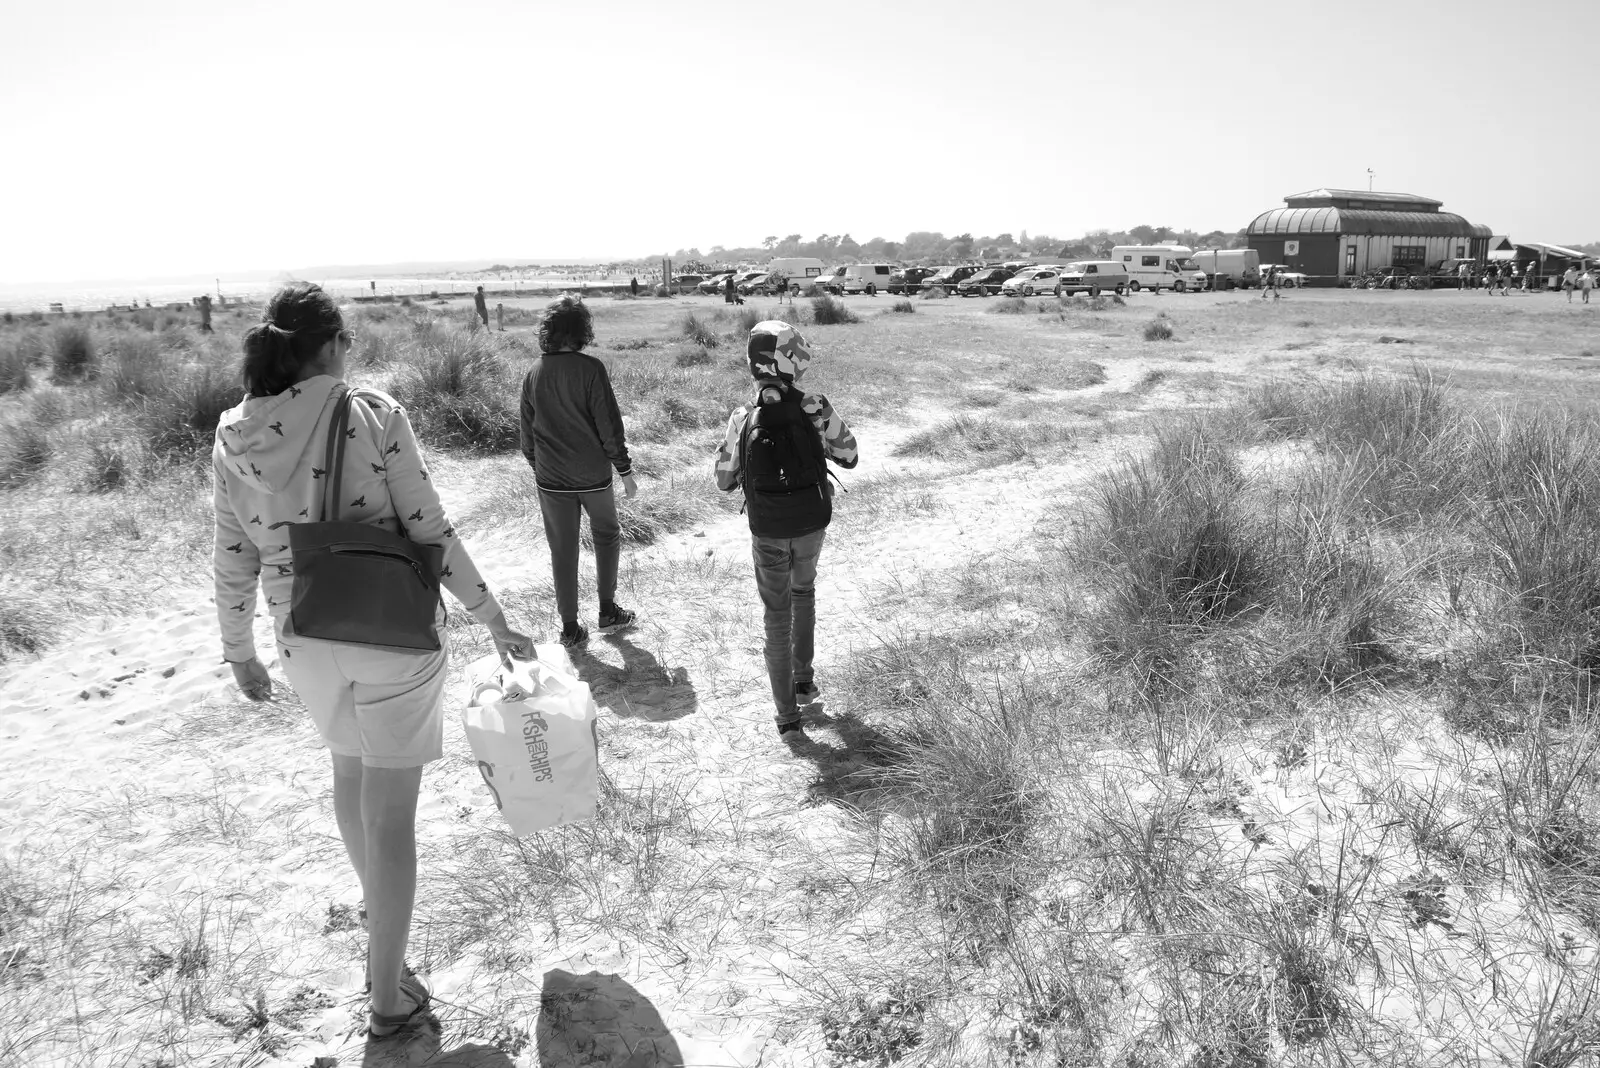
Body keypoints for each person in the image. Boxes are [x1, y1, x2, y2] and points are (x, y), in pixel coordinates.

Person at [212, 283, 532, 1041]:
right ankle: (387, 997)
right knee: (392, 817)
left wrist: (240, 652)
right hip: (391, 632)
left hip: (302, 636)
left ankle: (379, 924)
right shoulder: (370, 412)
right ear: (330, 344)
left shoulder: (233, 434)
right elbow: (430, 529)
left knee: (348, 777)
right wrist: (493, 618)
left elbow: (232, 557)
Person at [714, 321, 858, 738]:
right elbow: (849, 455)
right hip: (810, 523)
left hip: (768, 530)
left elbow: (723, 481)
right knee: (804, 592)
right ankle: (804, 680)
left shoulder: (744, 416)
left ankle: (787, 718)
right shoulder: (815, 404)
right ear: (793, 360)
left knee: (776, 618)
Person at [518, 295, 639, 646]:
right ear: (581, 330)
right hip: (593, 476)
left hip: (551, 479)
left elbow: (527, 436)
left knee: (563, 548)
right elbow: (609, 426)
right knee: (606, 536)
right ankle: (607, 610)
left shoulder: (533, 373)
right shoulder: (591, 369)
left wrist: (540, 469)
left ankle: (570, 628)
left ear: (548, 332)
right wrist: (625, 470)